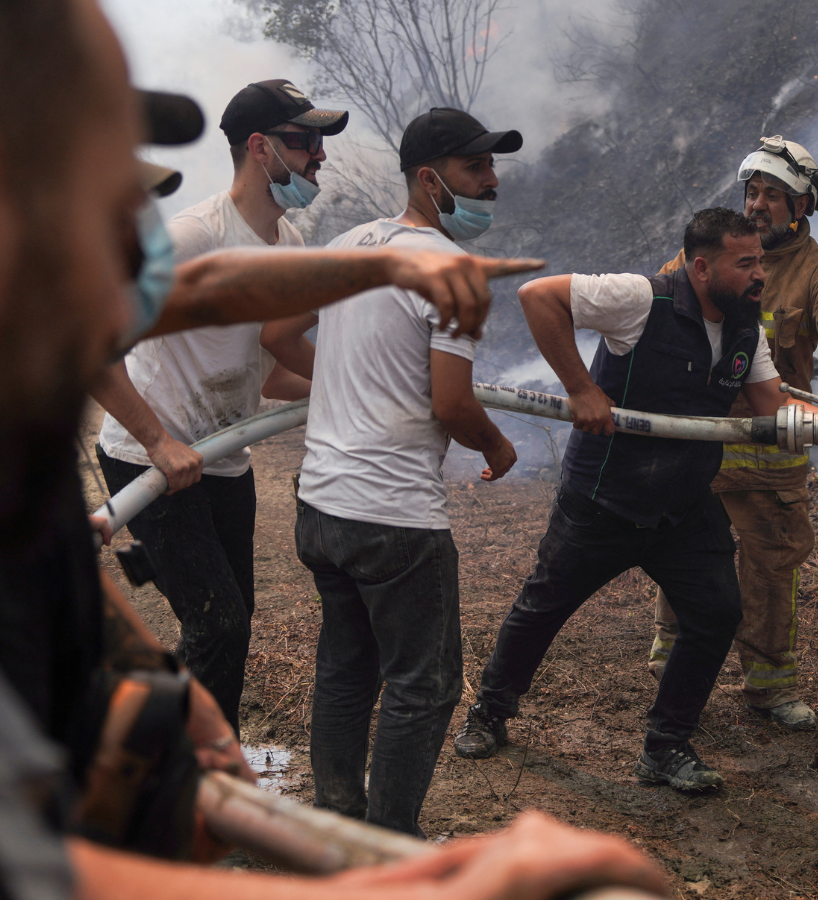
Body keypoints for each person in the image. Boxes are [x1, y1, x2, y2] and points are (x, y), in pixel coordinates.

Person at [0, 0, 666, 896]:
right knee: (248, 630)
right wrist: (404, 886)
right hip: (209, 468)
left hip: (238, 463)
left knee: (230, 633)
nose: (143, 264)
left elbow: (207, 294)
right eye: (112, 210)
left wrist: (388, 264)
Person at [452, 208, 818, 791]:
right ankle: (489, 712)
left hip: (683, 504)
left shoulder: (745, 329)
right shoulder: (639, 298)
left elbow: (771, 405)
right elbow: (538, 296)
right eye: (747, 263)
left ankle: (665, 746)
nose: (761, 273)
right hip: (604, 497)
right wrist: (582, 389)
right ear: (702, 267)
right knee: (544, 607)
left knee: (715, 614)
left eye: (761, 259)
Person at [283, 106, 521, 837]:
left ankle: (336, 821)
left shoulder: (351, 244)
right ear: (430, 179)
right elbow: (452, 404)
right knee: (425, 686)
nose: (491, 181)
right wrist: (496, 447)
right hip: (393, 520)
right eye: (475, 168)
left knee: (347, 667)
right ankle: (386, 847)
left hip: (322, 508)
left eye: (492, 165)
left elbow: (275, 334)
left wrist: (348, 388)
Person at [92, 77, 351, 732]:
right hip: (151, 462)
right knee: (220, 626)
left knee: (231, 626)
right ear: (260, 148)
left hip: (222, 464)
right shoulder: (192, 241)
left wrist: (345, 390)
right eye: (303, 141)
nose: (318, 154)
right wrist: (157, 441)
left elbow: (264, 378)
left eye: (320, 141)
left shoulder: (288, 247)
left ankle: (203, 763)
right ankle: (185, 781)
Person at [647, 136, 818, 729]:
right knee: (684, 559)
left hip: (771, 459)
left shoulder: (813, 269)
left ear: (800, 208)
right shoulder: (715, 250)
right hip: (698, 447)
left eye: (773, 196)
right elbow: (655, 303)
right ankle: (672, 669)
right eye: (752, 192)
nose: (757, 206)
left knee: (771, 572)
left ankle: (770, 688)